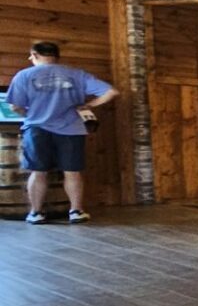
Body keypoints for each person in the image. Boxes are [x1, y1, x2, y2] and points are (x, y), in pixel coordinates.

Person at [4, 41, 118, 224]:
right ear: (57, 56)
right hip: (72, 130)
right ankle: (76, 212)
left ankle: (36, 213)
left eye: (30, 56)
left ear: (35, 55)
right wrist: (89, 105)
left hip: (37, 129)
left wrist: (29, 113)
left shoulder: (24, 75)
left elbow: (14, 106)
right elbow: (111, 92)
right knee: (72, 172)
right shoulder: (77, 75)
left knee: (38, 172)